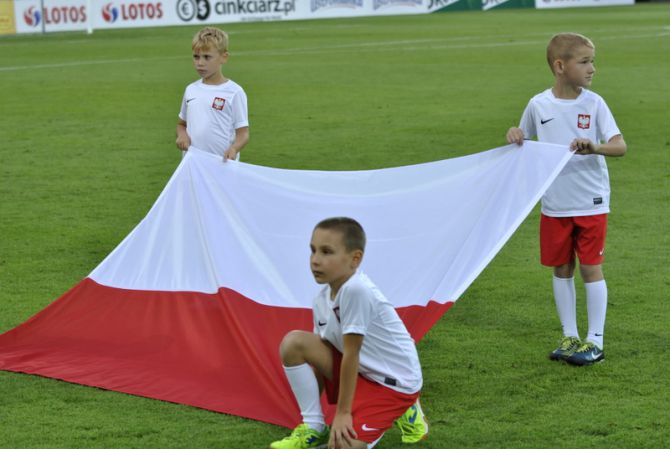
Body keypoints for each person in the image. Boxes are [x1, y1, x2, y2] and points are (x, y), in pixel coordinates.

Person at [506, 33, 626, 366]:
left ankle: (595, 341)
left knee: (590, 268)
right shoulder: (538, 104)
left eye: (592, 61)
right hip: (555, 203)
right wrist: (514, 134)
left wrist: (595, 146)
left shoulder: (594, 103)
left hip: (590, 200)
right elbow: (522, 139)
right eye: (585, 62)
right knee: (561, 268)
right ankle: (570, 336)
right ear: (560, 66)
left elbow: (620, 145)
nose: (593, 69)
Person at [270, 217, 428, 449]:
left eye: (326, 252)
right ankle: (313, 428)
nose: (315, 260)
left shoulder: (356, 290)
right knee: (294, 343)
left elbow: (352, 354)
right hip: (362, 372)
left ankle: (406, 405)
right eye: (312, 251)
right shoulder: (321, 300)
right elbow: (325, 358)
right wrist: (319, 416)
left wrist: (343, 414)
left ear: (355, 259)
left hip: (392, 384)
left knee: (343, 446)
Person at [176, 27, 249, 161]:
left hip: (222, 165)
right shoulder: (190, 90)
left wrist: (234, 149)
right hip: (193, 165)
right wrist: (182, 135)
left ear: (224, 57)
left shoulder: (234, 92)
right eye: (196, 57)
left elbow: (243, 134)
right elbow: (181, 124)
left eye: (207, 57)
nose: (200, 63)